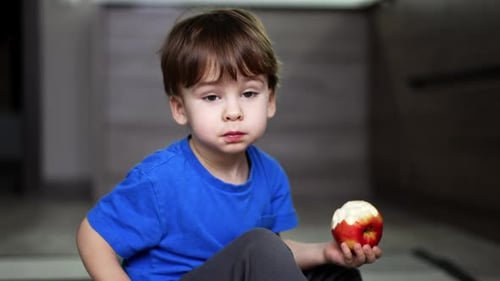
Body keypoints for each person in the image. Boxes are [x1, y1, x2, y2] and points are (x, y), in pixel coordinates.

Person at [76, 8, 382, 281]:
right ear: (180, 109)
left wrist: (324, 253)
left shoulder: (269, 174)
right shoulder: (159, 180)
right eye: (212, 97)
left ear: (270, 101)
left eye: (249, 94)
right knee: (261, 245)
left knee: (337, 274)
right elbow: (93, 238)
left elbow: (272, 258)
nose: (233, 112)